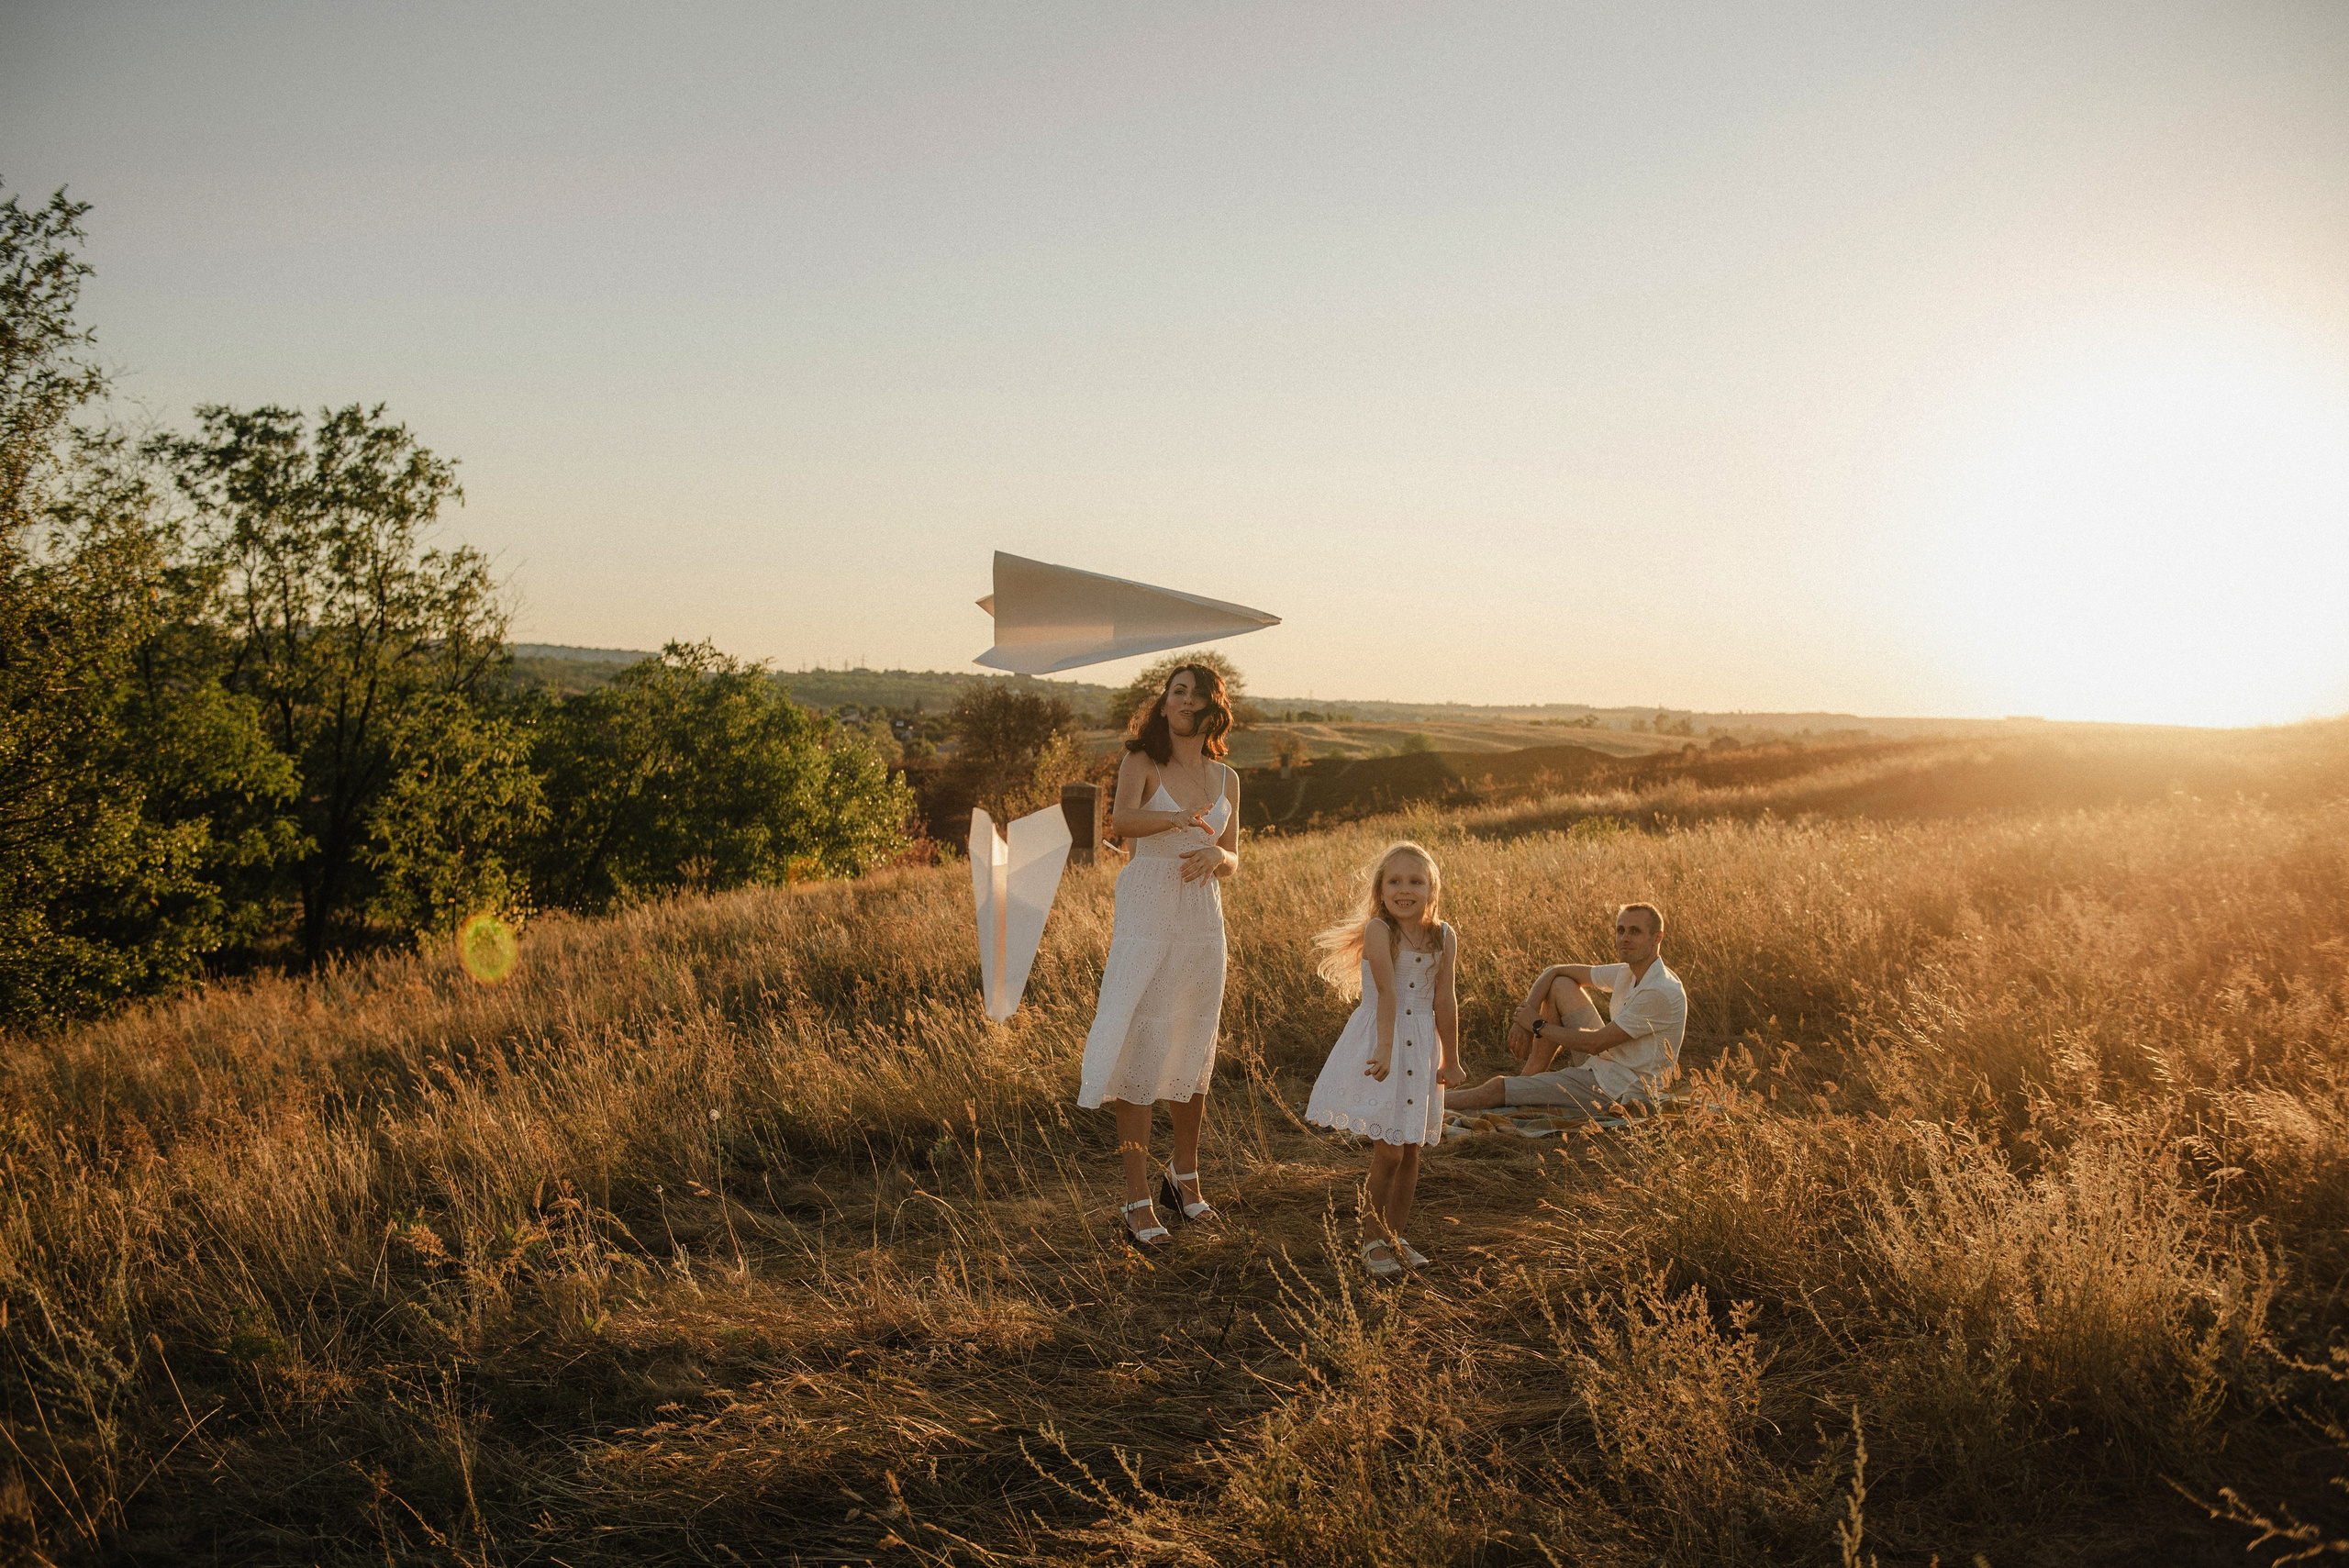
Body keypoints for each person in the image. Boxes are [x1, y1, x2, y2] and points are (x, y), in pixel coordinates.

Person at [1077, 663, 1243, 1246]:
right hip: (1148, 909)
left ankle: (1184, 1176)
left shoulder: (1228, 778)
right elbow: (1121, 821)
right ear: (1165, 701)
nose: (1185, 701)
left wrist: (1217, 858)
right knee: (1140, 1044)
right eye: (1177, 692)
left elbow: (1234, 856)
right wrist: (1171, 818)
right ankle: (1136, 1198)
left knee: (1193, 1041)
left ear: (1213, 707)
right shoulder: (1142, 762)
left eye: (1197, 694)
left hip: (1202, 919)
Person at [1302, 841, 1465, 1276]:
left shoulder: (1443, 935)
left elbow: (1445, 999)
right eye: (1395, 881)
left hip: (1422, 1045)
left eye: (1416, 881)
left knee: (1411, 1150)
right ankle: (1372, 1239)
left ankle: (1396, 1235)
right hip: (1383, 1041)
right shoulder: (1380, 930)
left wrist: (1451, 1058)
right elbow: (1388, 993)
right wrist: (1385, 1049)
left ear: (1432, 889)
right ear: (1381, 889)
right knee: (1389, 1152)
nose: (1404, 890)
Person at [1445, 903, 1686, 1116]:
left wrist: (1536, 1025)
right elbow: (1555, 971)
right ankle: (1527, 1079)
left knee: (1497, 1088)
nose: (1624, 938)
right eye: (1620, 930)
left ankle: (1431, 1104)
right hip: (1605, 1064)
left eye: (1635, 931)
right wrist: (1524, 1020)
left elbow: (1595, 1044)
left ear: (1657, 938)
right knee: (1561, 985)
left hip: (1619, 1088)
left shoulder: (1659, 991)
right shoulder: (1629, 972)